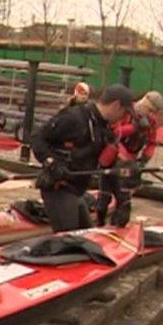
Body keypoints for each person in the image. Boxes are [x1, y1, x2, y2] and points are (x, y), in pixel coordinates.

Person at [32, 84, 131, 232]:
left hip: (77, 191)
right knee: (70, 242)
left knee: (88, 237)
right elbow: (37, 138)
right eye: (124, 112)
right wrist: (50, 162)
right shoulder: (74, 118)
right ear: (116, 105)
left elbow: (109, 168)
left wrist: (123, 201)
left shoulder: (104, 129)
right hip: (58, 188)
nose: (124, 118)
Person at [96, 91, 163, 227]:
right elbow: (114, 132)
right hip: (113, 159)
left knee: (124, 201)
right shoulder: (125, 111)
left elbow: (152, 142)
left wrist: (144, 159)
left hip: (130, 164)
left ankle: (118, 227)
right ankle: (99, 223)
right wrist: (134, 127)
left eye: (152, 111)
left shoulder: (151, 121)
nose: (148, 112)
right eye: (148, 108)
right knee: (104, 198)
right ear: (144, 99)